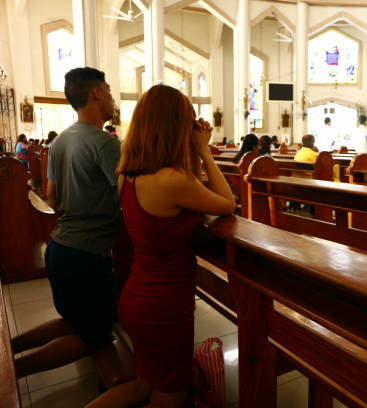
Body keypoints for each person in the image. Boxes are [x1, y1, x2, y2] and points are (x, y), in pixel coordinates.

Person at [87, 84, 235, 408]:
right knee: (171, 393)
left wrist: (194, 155)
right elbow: (227, 203)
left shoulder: (129, 174)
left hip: (136, 297)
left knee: (144, 384)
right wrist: (205, 151)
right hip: (164, 309)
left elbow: (191, 196)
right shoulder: (171, 181)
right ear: (175, 127)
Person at [10, 68, 121, 380]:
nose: (111, 96)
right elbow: (130, 197)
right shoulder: (106, 143)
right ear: (96, 93)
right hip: (86, 255)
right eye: (108, 89)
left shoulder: (60, 142)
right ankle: (12, 371)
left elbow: (50, 196)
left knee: (75, 320)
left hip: (60, 248)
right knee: (95, 336)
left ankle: (9, 347)